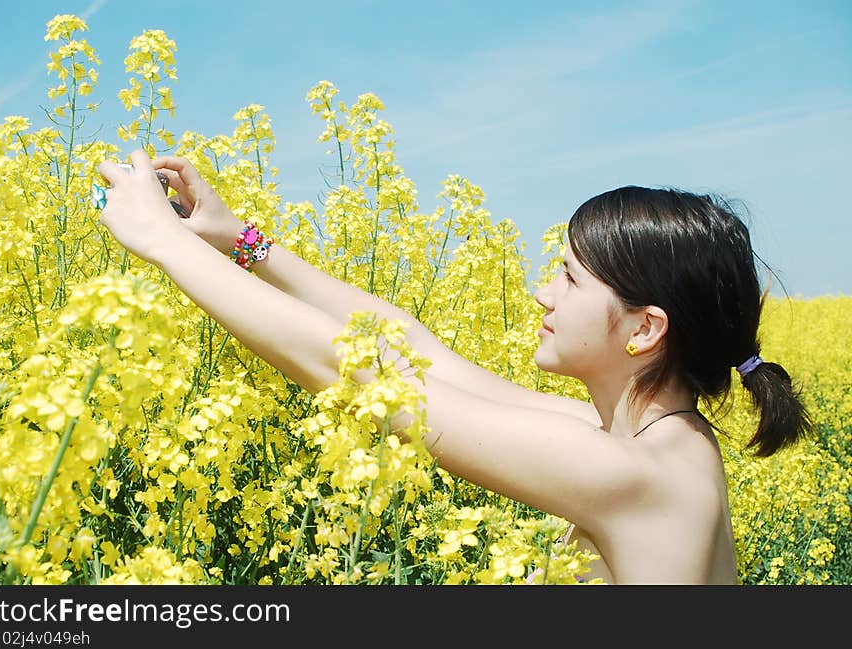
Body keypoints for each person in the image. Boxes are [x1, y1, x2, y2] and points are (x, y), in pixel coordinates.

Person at [96, 149, 811, 584]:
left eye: (568, 278)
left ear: (645, 327)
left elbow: (370, 377)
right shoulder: (649, 438)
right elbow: (419, 351)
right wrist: (238, 238)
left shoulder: (634, 474)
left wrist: (165, 243)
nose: (542, 291)